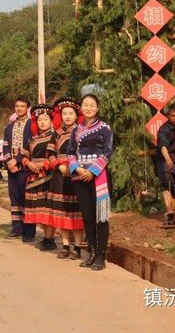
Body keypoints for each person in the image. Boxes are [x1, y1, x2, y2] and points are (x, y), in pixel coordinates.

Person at [67, 94, 112, 271]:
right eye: (85, 105)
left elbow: (107, 152)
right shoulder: (76, 129)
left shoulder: (105, 128)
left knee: (101, 217)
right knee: (87, 216)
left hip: (98, 176)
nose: (88, 108)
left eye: (92, 105)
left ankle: (101, 255)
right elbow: (71, 153)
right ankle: (91, 252)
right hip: (80, 177)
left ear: (97, 108)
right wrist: (78, 169)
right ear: (81, 108)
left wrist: (92, 171)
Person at [47, 97, 84, 260]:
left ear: (77, 115)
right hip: (60, 175)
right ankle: (65, 245)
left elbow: (85, 153)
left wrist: (73, 166)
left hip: (77, 174)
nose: (67, 116)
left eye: (71, 113)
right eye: (64, 114)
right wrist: (58, 165)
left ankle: (77, 248)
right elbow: (49, 153)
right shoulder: (57, 133)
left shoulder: (82, 131)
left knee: (76, 212)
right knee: (62, 212)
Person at [22, 103, 57, 251]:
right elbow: (23, 156)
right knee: (39, 210)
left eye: (46, 119)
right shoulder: (32, 139)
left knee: (48, 209)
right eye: (40, 119)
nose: (43, 122)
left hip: (49, 177)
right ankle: (46, 237)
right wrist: (28, 164)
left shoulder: (55, 137)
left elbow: (56, 155)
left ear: (51, 121)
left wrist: (44, 165)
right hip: (33, 177)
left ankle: (49, 239)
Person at [2, 97, 34, 242]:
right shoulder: (9, 127)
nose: (19, 108)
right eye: (17, 106)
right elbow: (5, 145)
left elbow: (31, 144)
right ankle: (17, 228)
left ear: (27, 108)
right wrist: (9, 161)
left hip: (26, 168)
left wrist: (18, 159)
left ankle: (29, 231)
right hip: (12, 168)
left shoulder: (32, 125)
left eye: (22, 106)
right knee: (14, 197)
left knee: (26, 198)